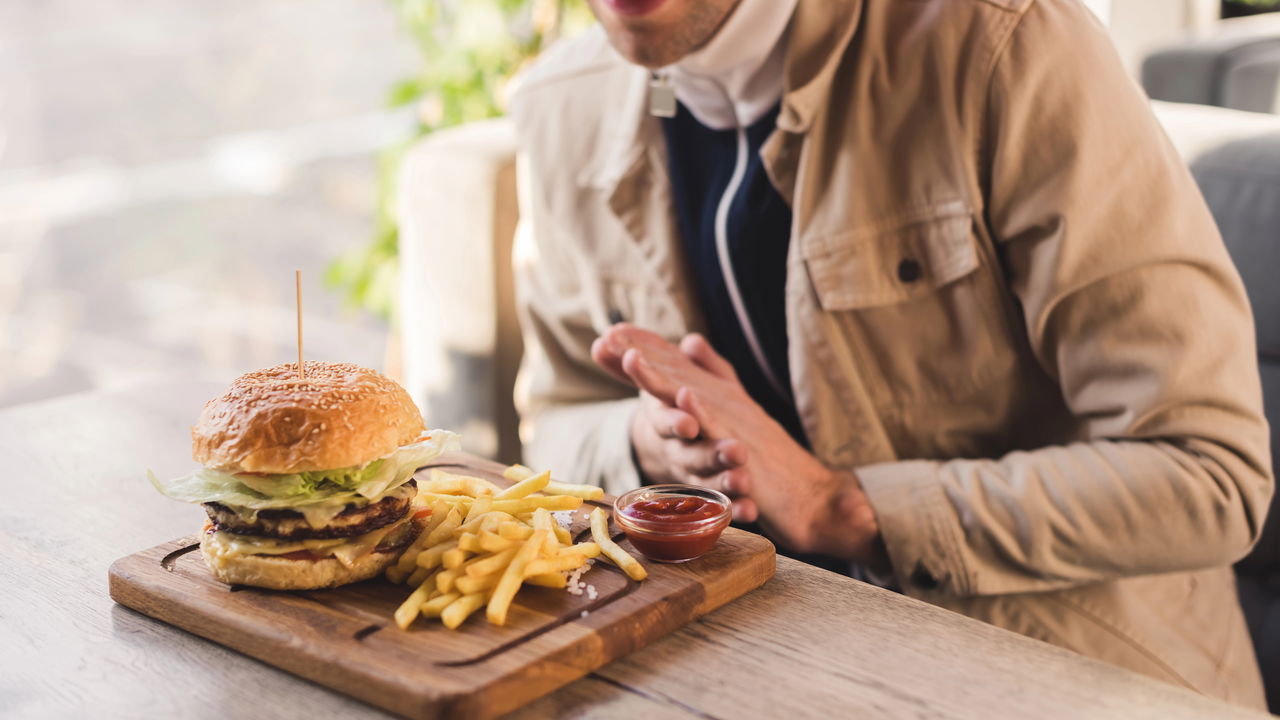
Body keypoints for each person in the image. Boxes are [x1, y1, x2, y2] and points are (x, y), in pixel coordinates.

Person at [507, 0, 1273, 707]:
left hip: (1068, 676)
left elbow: (1212, 474)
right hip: (745, 668)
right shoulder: (560, 106)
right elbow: (554, 428)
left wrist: (841, 505)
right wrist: (643, 447)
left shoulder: (1007, 43)